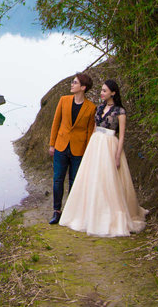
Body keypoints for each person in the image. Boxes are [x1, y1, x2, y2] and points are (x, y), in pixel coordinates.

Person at [59, 79, 147, 236]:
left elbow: (122, 136)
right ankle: (89, 213)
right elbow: (94, 129)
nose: (101, 93)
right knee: (93, 179)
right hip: (95, 144)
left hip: (109, 145)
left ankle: (109, 214)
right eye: (101, 90)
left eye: (105, 91)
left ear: (113, 93)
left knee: (109, 180)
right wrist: (90, 149)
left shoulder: (120, 111)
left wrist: (118, 155)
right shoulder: (99, 108)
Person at [48, 73, 97, 225]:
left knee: (74, 181)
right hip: (61, 146)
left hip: (79, 149)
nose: (72, 85)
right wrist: (52, 144)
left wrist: (88, 152)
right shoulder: (64, 100)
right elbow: (56, 123)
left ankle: (70, 212)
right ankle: (57, 211)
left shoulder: (91, 107)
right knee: (58, 179)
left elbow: (90, 132)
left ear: (83, 87)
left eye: (75, 83)